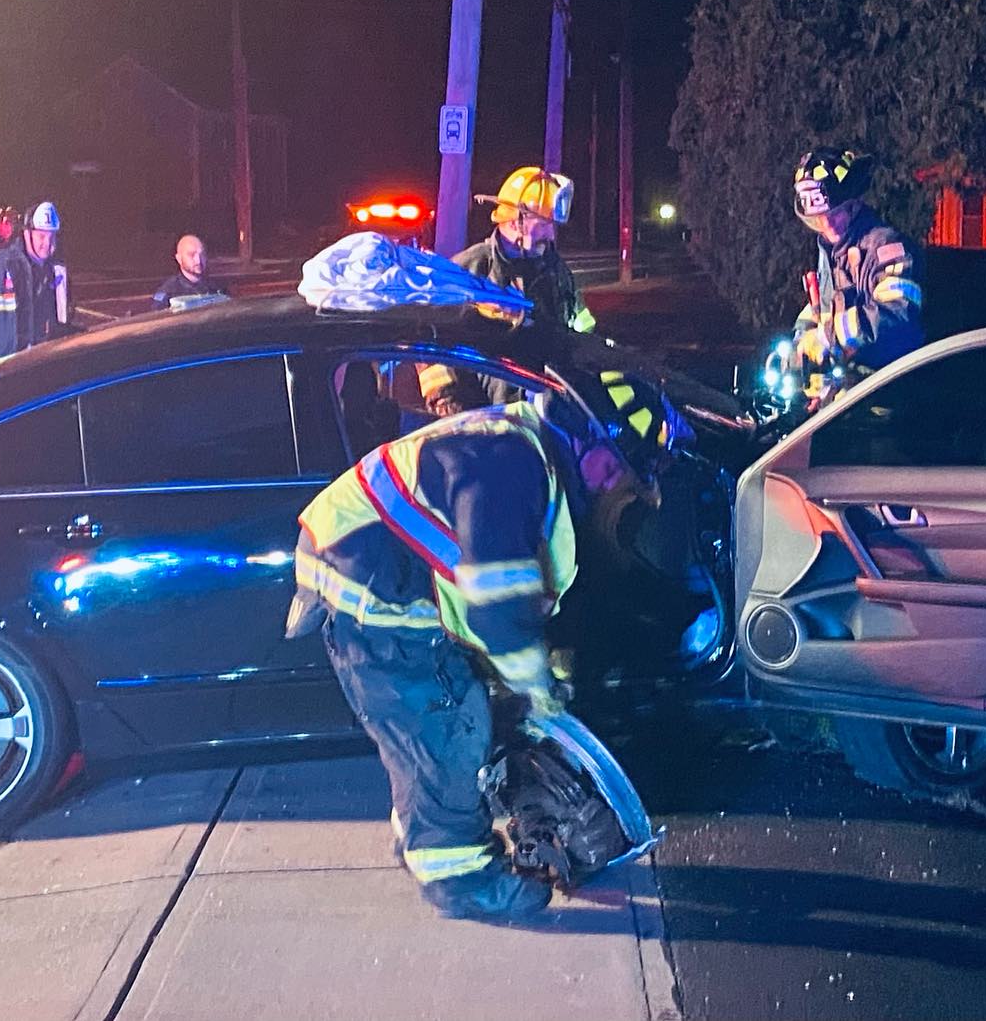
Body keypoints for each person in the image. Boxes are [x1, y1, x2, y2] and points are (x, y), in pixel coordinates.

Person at [284, 371, 685, 920]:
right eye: (614, 467)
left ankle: (417, 831)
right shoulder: (510, 468)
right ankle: (461, 880)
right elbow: (496, 604)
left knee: (423, 734)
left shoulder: (521, 449)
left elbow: (485, 580)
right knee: (451, 730)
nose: (611, 484)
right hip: (370, 594)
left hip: (370, 574)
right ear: (584, 440)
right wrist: (538, 689)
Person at [790, 148, 924, 379]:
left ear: (854, 204)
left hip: (886, 395)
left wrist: (826, 338)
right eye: (819, 218)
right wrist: (801, 341)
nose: (828, 225)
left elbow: (896, 314)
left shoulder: (884, 247)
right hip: (851, 393)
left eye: (836, 213)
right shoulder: (831, 252)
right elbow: (821, 308)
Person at [454, 166, 598, 340]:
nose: (551, 235)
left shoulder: (555, 268)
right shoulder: (472, 268)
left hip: (547, 366)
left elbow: (581, 325)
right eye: (544, 225)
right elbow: (433, 337)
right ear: (515, 223)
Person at [0, 201, 72, 371]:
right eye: (41, 236)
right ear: (26, 234)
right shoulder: (0, 263)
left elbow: (58, 318)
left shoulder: (53, 271)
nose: (47, 243)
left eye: (52, 236)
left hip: (29, 366)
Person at [152, 234, 230, 310]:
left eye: (202, 254)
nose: (198, 260)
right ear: (179, 258)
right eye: (191, 255)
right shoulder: (168, 292)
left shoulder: (218, 287)